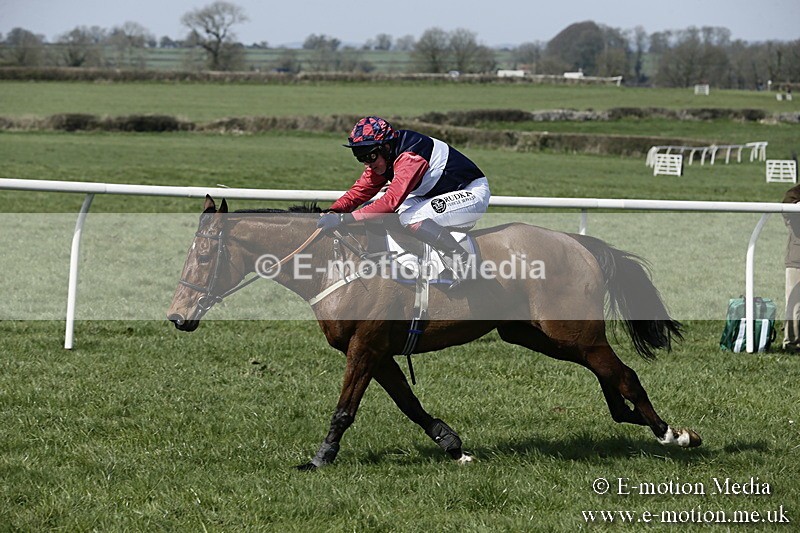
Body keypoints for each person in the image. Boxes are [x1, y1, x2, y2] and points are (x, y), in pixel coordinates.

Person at [317, 116, 491, 289]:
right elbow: (359, 192)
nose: (367, 163)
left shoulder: (410, 157)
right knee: (396, 214)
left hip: (471, 192)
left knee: (410, 217)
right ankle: (427, 264)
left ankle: (466, 265)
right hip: (437, 193)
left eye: (370, 155)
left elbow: (389, 202)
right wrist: (333, 211)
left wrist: (343, 219)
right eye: (360, 157)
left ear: (386, 147)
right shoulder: (383, 159)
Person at [782, 181, 800, 352]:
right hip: (797, 258)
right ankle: (792, 343)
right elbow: (787, 209)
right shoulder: (794, 194)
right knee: (795, 304)